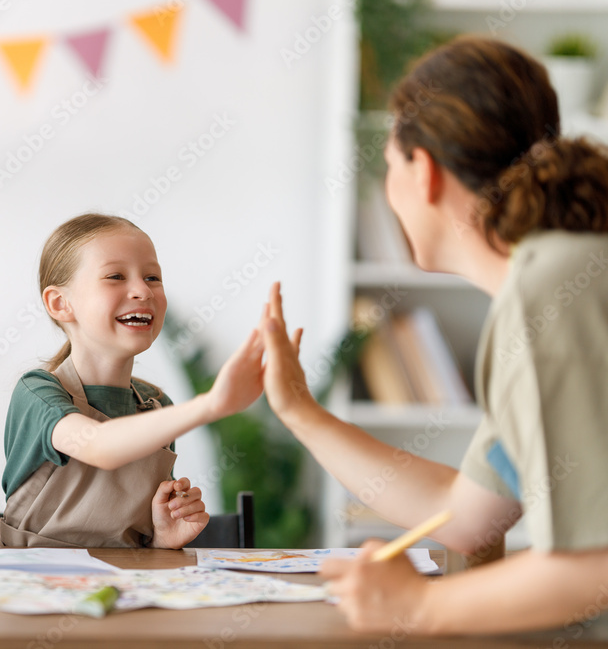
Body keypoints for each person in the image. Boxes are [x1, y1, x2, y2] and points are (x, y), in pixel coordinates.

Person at [260, 36, 608, 634]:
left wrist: (416, 607)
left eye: (389, 165)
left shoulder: (553, 288)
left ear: (423, 172)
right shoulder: (553, 278)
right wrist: (300, 412)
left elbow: (593, 567)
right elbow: (467, 515)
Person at [0, 213, 264, 548]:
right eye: (115, 276)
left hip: (126, 590)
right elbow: (98, 445)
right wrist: (211, 404)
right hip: (35, 588)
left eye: (153, 277)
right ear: (60, 303)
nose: (142, 290)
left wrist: (163, 538)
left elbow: (131, 547)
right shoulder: (38, 392)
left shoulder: (157, 406)